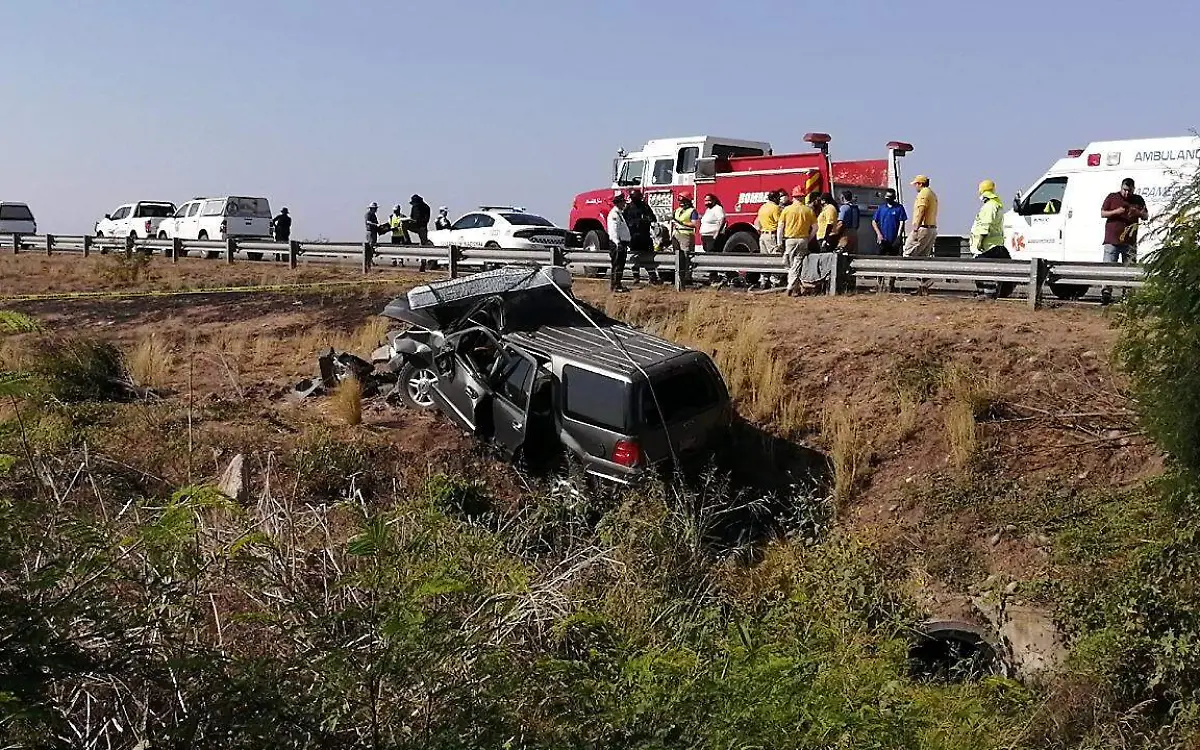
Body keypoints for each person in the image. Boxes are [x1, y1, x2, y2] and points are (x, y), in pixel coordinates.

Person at [1099, 177, 1148, 304]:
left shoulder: (1138, 199)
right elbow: (1103, 213)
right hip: (1112, 240)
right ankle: (1106, 293)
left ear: (1133, 189)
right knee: (1109, 268)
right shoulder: (1112, 197)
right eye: (1124, 190)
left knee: (1129, 269)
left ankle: (1128, 295)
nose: (1126, 193)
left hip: (1130, 241)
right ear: (1121, 188)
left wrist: (1137, 212)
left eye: (1129, 191)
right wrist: (1117, 211)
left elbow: (1146, 216)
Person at [970, 180, 1010, 299]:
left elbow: (985, 225)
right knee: (989, 273)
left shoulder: (989, 206)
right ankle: (989, 295)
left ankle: (986, 296)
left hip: (988, 246)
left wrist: (980, 242)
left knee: (982, 272)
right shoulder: (996, 204)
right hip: (995, 244)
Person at [777, 185, 817, 296]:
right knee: (797, 264)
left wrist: (779, 242)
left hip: (790, 240)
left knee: (790, 265)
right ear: (803, 197)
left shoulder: (786, 210)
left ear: (793, 197)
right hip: (803, 240)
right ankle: (796, 288)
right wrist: (808, 238)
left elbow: (780, 227)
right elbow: (815, 228)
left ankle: (790, 288)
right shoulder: (808, 210)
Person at [903, 175, 939, 295]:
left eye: (916, 184)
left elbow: (922, 210)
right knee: (923, 258)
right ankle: (923, 286)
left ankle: (926, 280)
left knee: (908, 254)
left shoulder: (923, 194)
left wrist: (915, 228)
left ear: (920, 184)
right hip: (932, 228)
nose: (915, 187)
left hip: (923, 228)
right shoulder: (932, 194)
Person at [872, 188, 908, 292]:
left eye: (891, 197)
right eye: (887, 197)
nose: (889, 199)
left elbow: (902, 222)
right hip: (883, 240)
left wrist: (898, 237)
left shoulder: (899, 208)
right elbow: (874, 221)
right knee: (879, 262)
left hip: (894, 240)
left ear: (894, 197)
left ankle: (891, 284)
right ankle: (879, 284)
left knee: (894, 262)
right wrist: (879, 234)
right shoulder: (881, 208)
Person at [624, 189, 660, 285]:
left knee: (648, 258)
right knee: (635, 258)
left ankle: (652, 277)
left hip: (644, 237)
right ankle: (636, 277)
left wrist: (645, 220)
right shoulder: (628, 208)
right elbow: (624, 221)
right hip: (634, 237)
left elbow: (653, 218)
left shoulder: (644, 206)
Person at [754, 190, 784, 288]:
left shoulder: (762, 207)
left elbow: (757, 223)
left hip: (763, 236)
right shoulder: (775, 208)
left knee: (764, 259)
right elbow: (780, 224)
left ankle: (763, 280)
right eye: (778, 198)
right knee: (776, 258)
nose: (779, 200)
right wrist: (780, 241)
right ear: (775, 198)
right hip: (772, 236)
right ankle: (775, 280)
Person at [699, 193, 727, 286]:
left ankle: (714, 277)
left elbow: (722, 220)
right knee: (708, 256)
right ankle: (712, 276)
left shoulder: (717, 208)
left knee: (712, 257)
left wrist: (717, 233)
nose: (707, 202)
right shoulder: (708, 210)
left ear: (714, 200)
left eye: (709, 200)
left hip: (712, 236)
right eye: (705, 201)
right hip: (706, 236)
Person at [606, 193, 631, 293]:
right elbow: (613, 230)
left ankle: (618, 284)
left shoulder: (619, 213)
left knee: (620, 265)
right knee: (617, 265)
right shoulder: (614, 215)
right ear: (618, 203)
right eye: (623, 202)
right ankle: (615, 286)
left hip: (621, 243)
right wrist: (617, 243)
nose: (624, 204)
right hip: (617, 243)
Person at [672, 194, 699, 258]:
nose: (681, 203)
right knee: (676, 254)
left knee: (686, 254)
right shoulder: (677, 210)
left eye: (683, 201)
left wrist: (682, 223)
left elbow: (694, 224)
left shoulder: (692, 211)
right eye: (680, 201)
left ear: (688, 201)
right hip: (676, 234)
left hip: (686, 235)